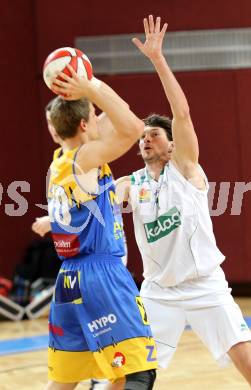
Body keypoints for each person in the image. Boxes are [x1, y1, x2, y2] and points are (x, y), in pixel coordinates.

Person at [116, 15, 251, 389]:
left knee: (249, 364)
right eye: (142, 137)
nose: (146, 140)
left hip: (205, 285)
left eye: (154, 134)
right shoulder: (132, 182)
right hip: (157, 291)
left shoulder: (186, 169)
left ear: (171, 145)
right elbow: (101, 195)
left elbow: (182, 113)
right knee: (129, 373)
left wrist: (157, 60)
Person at [44, 67, 157, 390]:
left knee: (64, 382)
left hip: (69, 278)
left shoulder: (58, 163)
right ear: (83, 125)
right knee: (138, 372)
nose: (99, 118)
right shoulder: (84, 159)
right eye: (93, 116)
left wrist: (80, 90)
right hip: (100, 276)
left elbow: (113, 116)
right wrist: (90, 84)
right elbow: (133, 126)